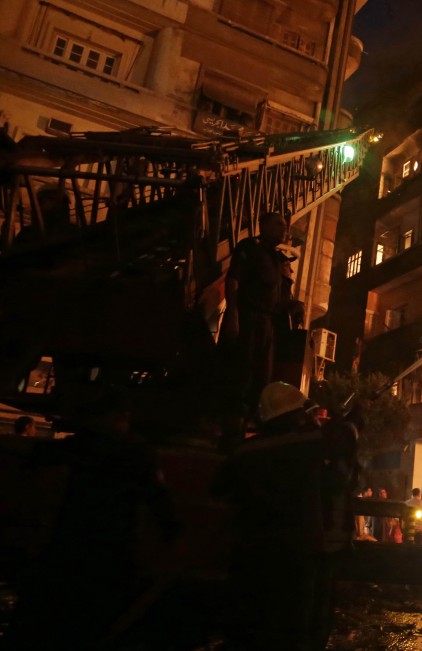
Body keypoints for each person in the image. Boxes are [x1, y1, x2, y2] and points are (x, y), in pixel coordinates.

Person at [7, 388, 180, 649]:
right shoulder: (135, 451)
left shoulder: (74, 448)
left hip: (66, 544)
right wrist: (171, 531)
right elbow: (158, 496)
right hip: (109, 547)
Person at [213, 381, 346, 651]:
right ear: (292, 416)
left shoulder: (243, 452)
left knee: (249, 630)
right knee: (293, 630)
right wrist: (351, 418)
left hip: (249, 556)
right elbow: (338, 469)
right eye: (303, 413)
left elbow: (219, 488)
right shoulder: (309, 445)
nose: (308, 418)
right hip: (296, 555)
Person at [220, 212, 305, 414]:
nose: (284, 229)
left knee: (262, 377)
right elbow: (233, 280)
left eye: (285, 226)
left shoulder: (277, 259)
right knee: (242, 371)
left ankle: (246, 421)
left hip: (267, 324)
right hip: (248, 317)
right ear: (263, 226)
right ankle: (229, 421)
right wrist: (233, 315)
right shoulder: (249, 248)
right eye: (278, 224)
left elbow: (279, 297)